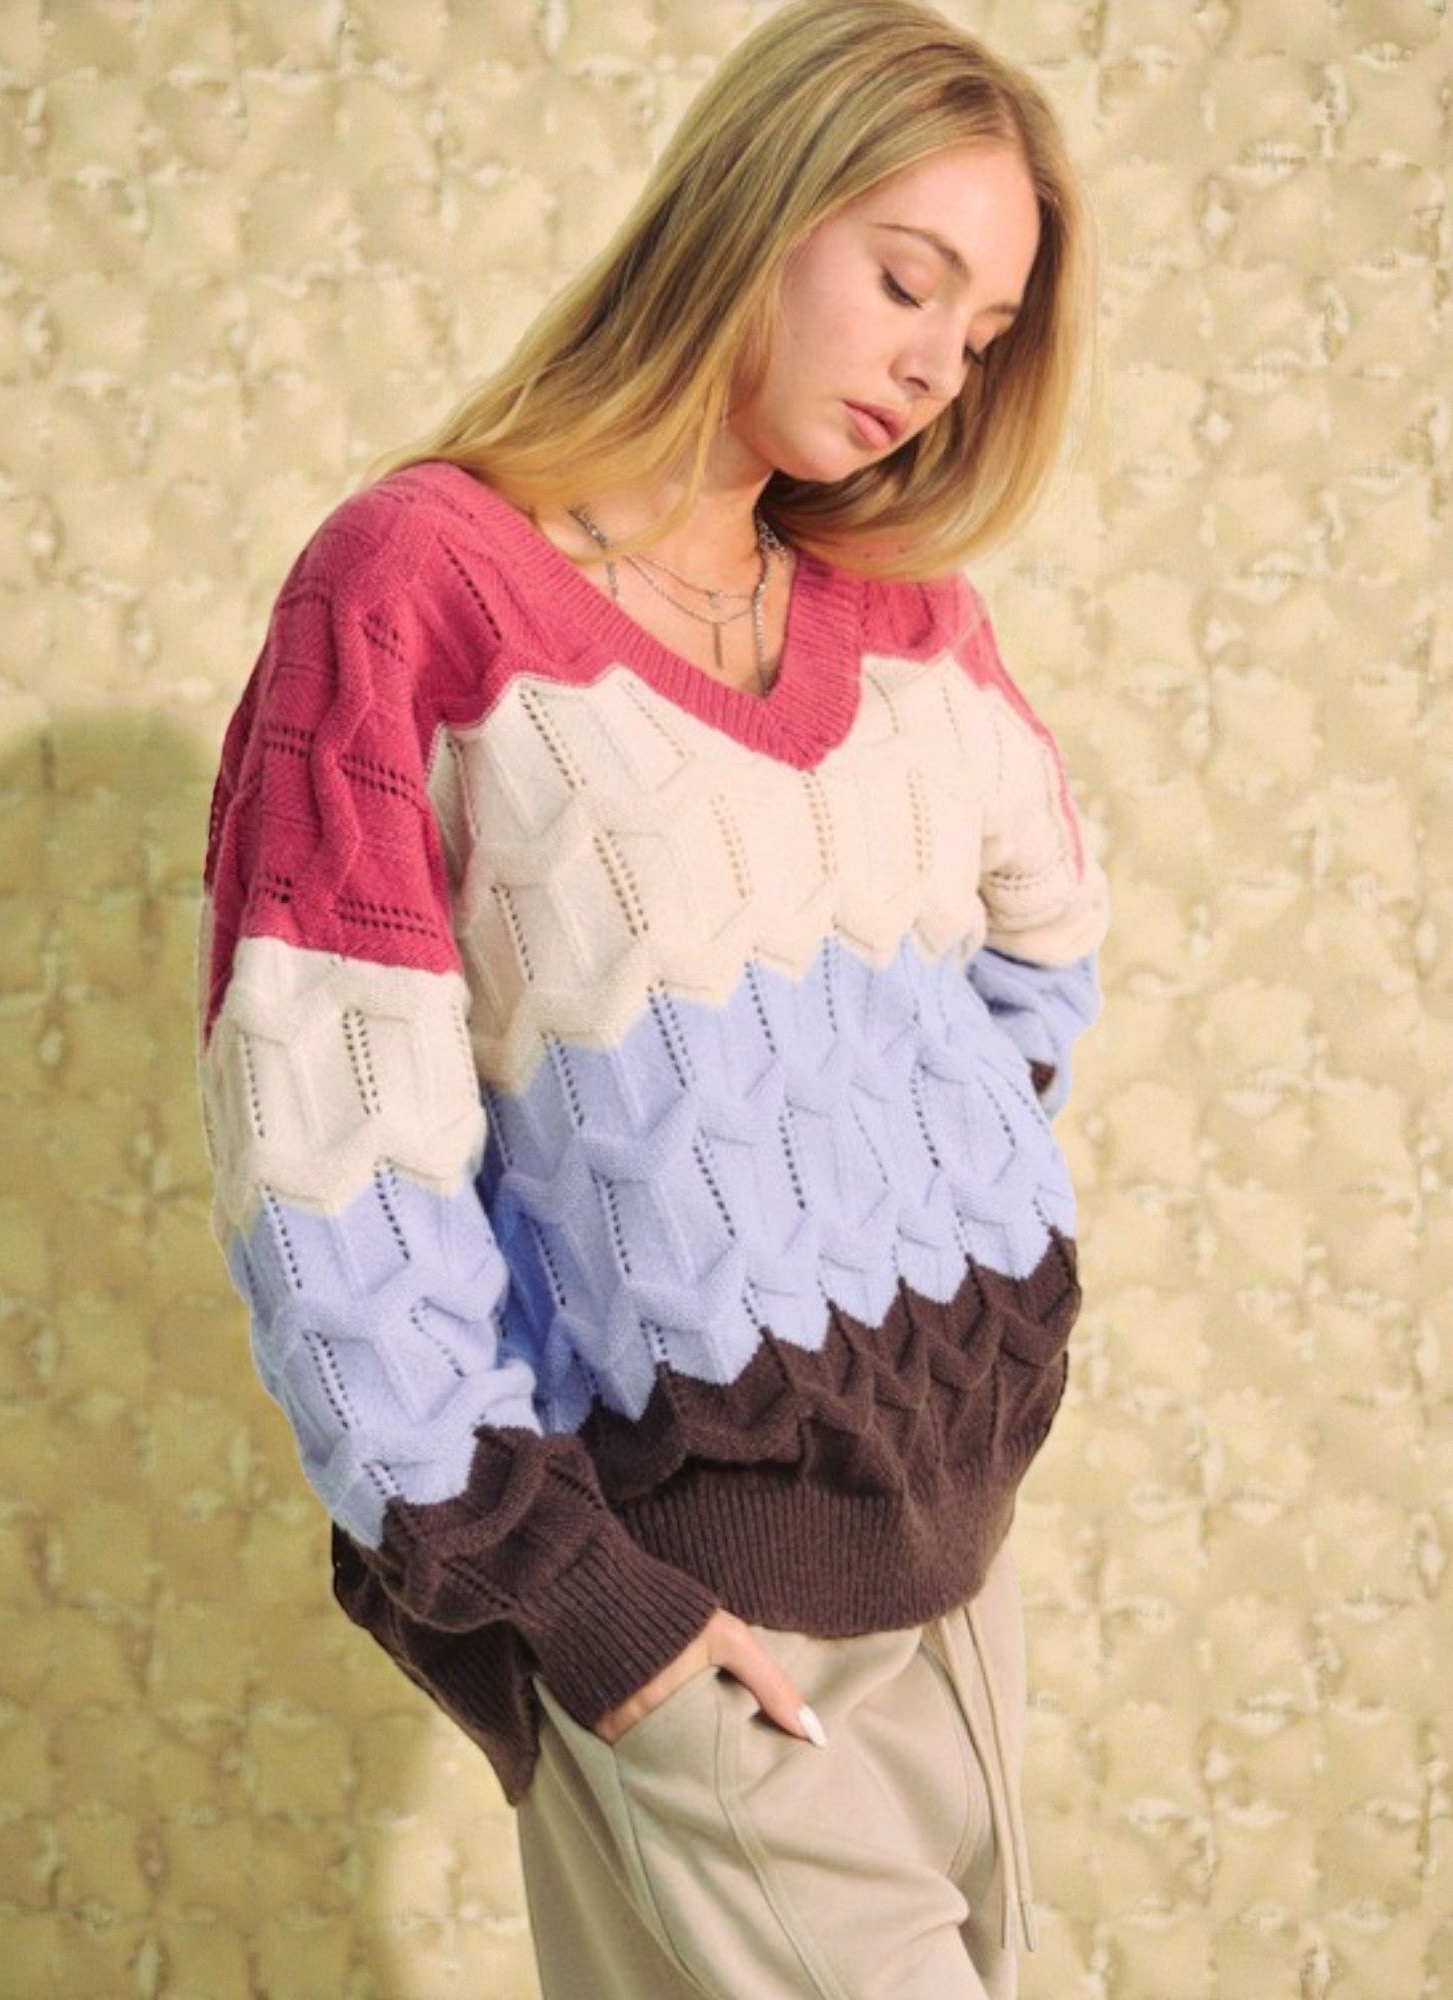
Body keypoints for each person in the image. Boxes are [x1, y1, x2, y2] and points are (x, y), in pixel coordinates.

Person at [194, 2, 1111, 1993]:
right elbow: (330, 1161)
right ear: (754, 210)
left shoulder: (898, 613)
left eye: (978, 333)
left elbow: (1044, 943)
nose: (933, 367)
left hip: (955, 1559)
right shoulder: (416, 587)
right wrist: (572, 1595)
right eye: (903, 282)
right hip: (685, 1603)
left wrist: (896, 1180)